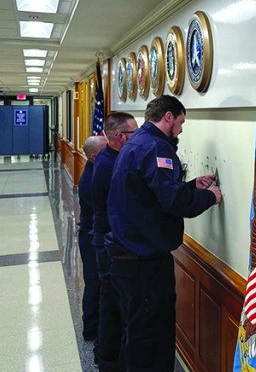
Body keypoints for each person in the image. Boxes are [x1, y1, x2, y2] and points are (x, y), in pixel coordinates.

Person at [106, 95, 223, 371]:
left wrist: (193, 186)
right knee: (150, 340)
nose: (181, 129)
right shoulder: (156, 148)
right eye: (181, 122)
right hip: (142, 266)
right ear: (168, 117)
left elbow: (152, 194)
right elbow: (172, 202)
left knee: (136, 335)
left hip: (127, 258)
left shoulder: (137, 143)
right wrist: (211, 198)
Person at [92, 112, 138, 372]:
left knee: (110, 304)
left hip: (107, 241)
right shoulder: (111, 166)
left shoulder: (112, 158)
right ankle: (109, 363)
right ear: (121, 137)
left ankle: (105, 356)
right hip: (110, 245)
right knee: (112, 307)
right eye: (135, 132)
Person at [78, 135, 107, 346]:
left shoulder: (97, 170)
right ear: (95, 156)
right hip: (91, 238)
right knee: (94, 282)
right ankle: (91, 328)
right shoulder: (91, 180)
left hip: (92, 235)